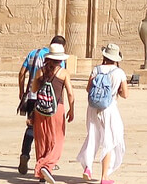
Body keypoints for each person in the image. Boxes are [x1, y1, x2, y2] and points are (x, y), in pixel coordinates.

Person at [78, 43, 128, 184]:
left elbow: (88, 89)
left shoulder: (96, 70)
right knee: (110, 140)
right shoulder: (119, 73)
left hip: (93, 107)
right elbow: (125, 94)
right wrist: (115, 90)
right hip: (109, 108)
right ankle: (104, 176)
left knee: (93, 136)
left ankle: (88, 167)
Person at [18, 35, 68, 175]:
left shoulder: (33, 54)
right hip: (51, 101)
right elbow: (59, 82)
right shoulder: (58, 62)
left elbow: (22, 73)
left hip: (33, 97)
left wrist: (22, 92)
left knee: (32, 129)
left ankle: (25, 154)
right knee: (49, 133)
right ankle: (46, 162)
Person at [31, 43, 75, 184]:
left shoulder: (40, 71)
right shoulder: (63, 73)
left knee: (41, 139)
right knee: (57, 139)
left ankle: (41, 173)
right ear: (60, 59)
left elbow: (33, 90)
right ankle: (47, 166)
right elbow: (69, 93)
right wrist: (72, 109)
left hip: (40, 109)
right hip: (57, 109)